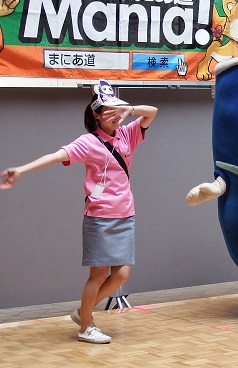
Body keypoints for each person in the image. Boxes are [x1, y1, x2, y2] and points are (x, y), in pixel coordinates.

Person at [0, 82, 157, 344]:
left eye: (116, 109)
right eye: (108, 111)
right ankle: (85, 326)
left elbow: (152, 112)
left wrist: (128, 109)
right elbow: (55, 156)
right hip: (100, 216)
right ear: (96, 114)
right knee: (98, 275)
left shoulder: (127, 134)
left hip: (125, 214)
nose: (114, 115)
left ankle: (82, 312)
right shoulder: (88, 142)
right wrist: (21, 170)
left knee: (121, 275)